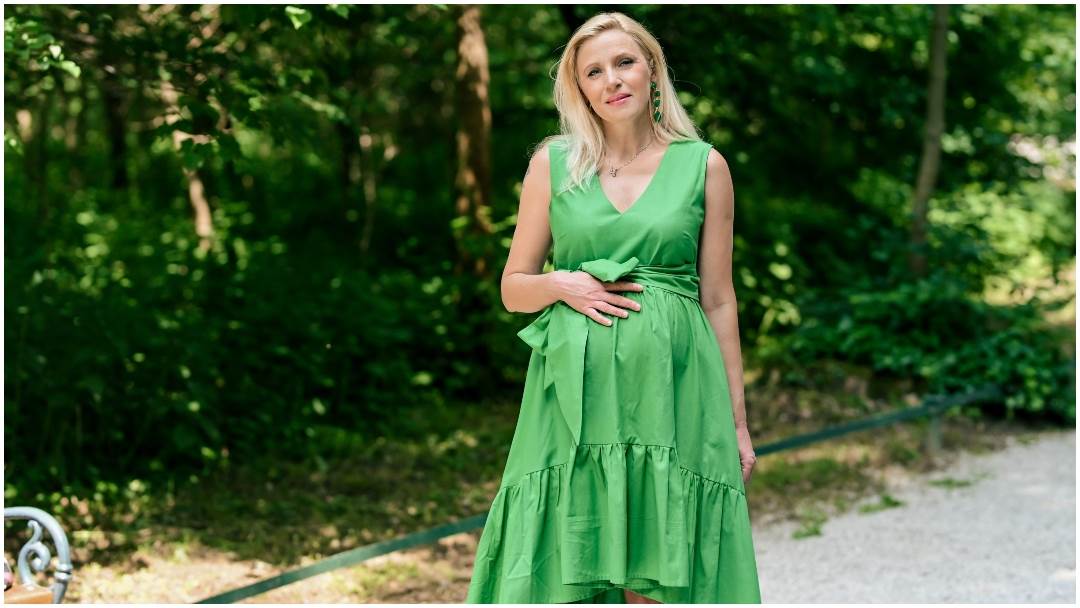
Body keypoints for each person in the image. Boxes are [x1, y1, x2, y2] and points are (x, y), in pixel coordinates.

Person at [466, 11, 762, 604]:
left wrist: (736, 422)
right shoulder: (553, 164)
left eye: (624, 62)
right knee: (570, 564)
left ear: (651, 68)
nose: (612, 80)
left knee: (661, 569)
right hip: (573, 398)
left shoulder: (704, 165)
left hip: (674, 390)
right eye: (593, 72)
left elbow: (718, 300)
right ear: (580, 89)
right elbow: (513, 288)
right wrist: (563, 284)